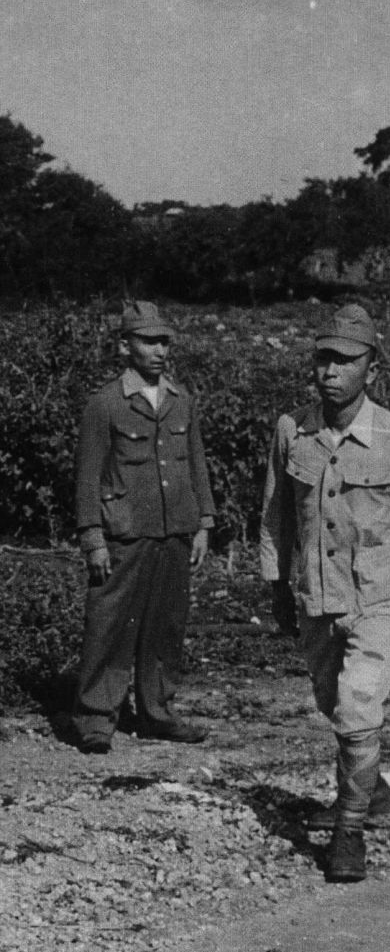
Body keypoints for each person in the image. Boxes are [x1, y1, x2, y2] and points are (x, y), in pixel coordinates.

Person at [260, 304, 390, 884]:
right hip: (319, 597)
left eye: (346, 361)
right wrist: (277, 586)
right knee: (332, 704)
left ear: (373, 370)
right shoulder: (292, 431)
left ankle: (349, 832)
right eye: (324, 359)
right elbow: (275, 516)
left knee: (357, 706)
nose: (331, 372)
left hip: (380, 600)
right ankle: (372, 790)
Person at [71, 301, 214, 754]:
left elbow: (196, 463)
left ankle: (158, 712)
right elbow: (88, 476)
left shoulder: (180, 399)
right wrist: (92, 538)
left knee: (165, 627)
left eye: (164, 342)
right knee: (109, 625)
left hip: (174, 532)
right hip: (125, 532)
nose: (159, 351)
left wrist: (204, 523)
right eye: (149, 342)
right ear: (124, 346)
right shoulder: (106, 403)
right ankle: (96, 717)